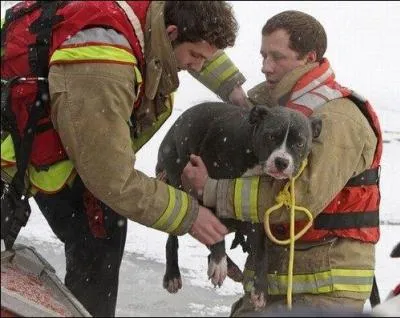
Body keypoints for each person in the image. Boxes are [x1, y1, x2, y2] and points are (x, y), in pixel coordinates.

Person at [0, 1, 248, 316]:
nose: (197, 66)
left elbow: (195, 36)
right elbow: (112, 178)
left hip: (67, 142)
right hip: (17, 154)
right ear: (170, 34)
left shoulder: (159, 15)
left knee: (102, 239)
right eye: (196, 57)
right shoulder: (103, 65)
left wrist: (235, 90)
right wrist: (190, 215)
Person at [181, 10, 382, 316]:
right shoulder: (273, 110)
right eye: (262, 56)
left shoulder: (338, 118)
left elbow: (297, 200)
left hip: (322, 289)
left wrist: (212, 191)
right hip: (274, 284)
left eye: (277, 57)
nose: (265, 67)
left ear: (309, 58)